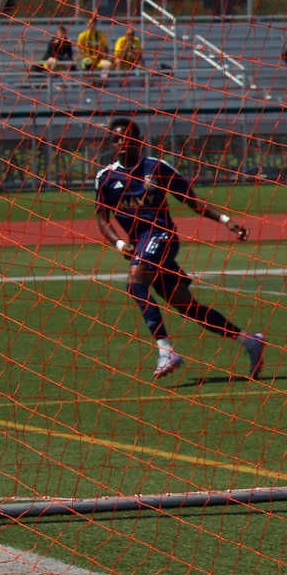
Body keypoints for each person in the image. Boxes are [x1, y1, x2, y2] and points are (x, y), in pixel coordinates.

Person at [94, 117, 266, 381]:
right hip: (140, 244)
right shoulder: (105, 178)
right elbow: (102, 219)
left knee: (135, 282)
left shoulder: (157, 168)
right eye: (116, 138)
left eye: (127, 136)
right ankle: (249, 341)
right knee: (186, 306)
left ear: (139, 140)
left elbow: (191, 200)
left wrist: (226, 221)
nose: (121, 142)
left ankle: (166, 350)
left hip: (162, 236)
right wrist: (119, 243)